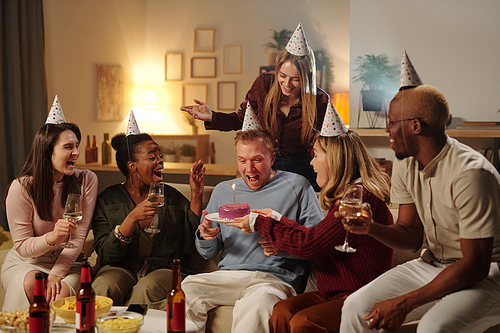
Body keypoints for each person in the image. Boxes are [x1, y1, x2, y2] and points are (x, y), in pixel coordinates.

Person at [339, 84, 500, 332]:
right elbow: (411, 237)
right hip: (434, 264)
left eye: (391, 122)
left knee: (433, 327)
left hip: (487, 274)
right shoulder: (405, 163)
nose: (387, 129)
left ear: (414, 126)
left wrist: (403, 304)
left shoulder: (471, 174)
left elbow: (475, 264)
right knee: (355, 308)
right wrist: (371, 228)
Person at [227, 104, 394, 333]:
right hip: (333, 294)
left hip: (361, 296)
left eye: (315, 155)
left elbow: (311, 245)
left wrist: (260, 222)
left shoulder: (359, 199)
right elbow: (315, 236)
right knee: (282, 310)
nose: (312, 163)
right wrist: (277, 218)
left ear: (334, 158)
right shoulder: (347, 194)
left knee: (303, 322)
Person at [181, 128, 324, 333]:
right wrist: (205, 236)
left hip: (275, 279)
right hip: (230, 276)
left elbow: (316, 241)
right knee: (186, 289)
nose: (249, 168)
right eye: (242, 160)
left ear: (272, 158)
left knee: (257, 305)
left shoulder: (298, 186)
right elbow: (207, 252)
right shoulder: (223, 190)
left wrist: (282, 246)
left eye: (257, 160)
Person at [181, 23, 329, 191]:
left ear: (307, 78)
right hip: (265, 165)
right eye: (282, 75)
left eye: (295, 79)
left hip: (302, 169)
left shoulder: (320, 101)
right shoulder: (264, 84)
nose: (287, 84)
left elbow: (323, 144)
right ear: (277, 70)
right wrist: (212, 117)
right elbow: (240, 119)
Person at [91, 114, 205, 308]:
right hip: (121, 267)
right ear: (132, 166)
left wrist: (196, 193)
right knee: (105, 286)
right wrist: (132, 218)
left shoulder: (171, 196)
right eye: (152, 157)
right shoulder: (107, 200)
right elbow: (105, 252)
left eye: (160, 155)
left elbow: (191, 238)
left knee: (147, 288)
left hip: (163, 269)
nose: (160, 161)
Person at [1, 96, 98, 311]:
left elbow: (79, 238)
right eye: (68, 147)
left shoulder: (86, 180)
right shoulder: (22, 187)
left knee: (59, 295)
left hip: (66, 264)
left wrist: (55, 275)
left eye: (77, 146)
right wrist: (52, 237)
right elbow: (23, 247)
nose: (76, 153)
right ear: (47, 151)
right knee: (33, 283)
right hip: (26, 263)